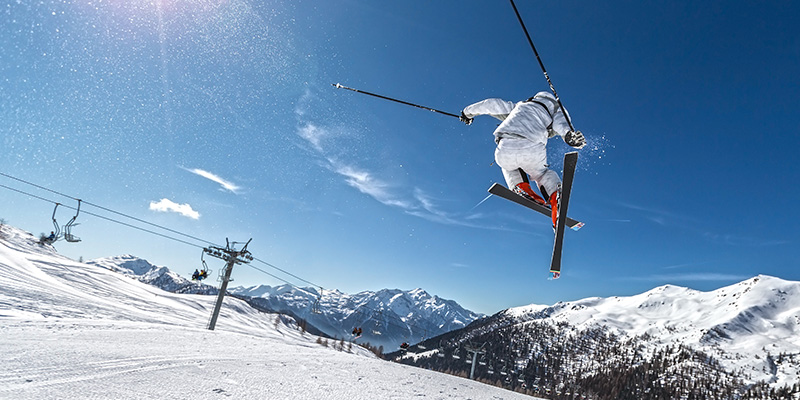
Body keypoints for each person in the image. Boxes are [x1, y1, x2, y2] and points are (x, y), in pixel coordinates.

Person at [461, 92, 586, 228]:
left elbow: (490, 104)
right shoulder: (556, 108)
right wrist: (568, 135)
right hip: (532, 147)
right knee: (542, 174)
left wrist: (467, 113)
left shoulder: (519, 106)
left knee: (508, 166)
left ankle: (520, 187)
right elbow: (561, 123)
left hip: (505, 146)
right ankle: (555, 197)